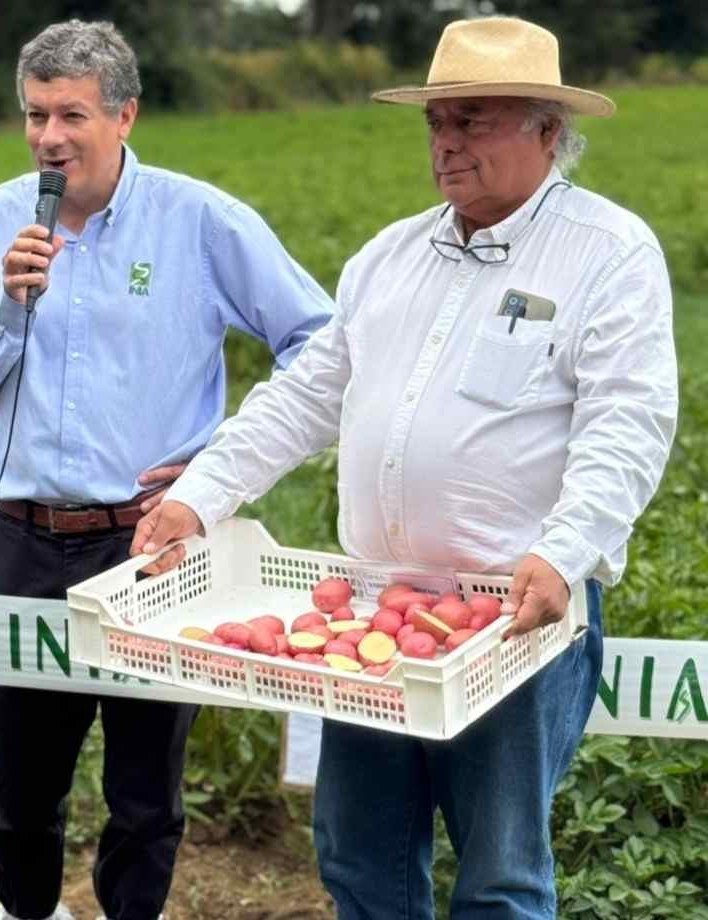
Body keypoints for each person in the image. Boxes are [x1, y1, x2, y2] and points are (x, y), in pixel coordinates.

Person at [133, 16, 678, 920]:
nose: (446, 142)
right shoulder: (389, 256)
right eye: (437, 121)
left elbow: (630, 421)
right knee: (360, 856)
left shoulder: (607, 254)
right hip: (372, 616)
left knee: (501, 878)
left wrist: (565, 550)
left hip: (513, 622)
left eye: (473, 120)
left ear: (548, 130)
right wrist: (200, 496)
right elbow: (305, 396)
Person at [0, 19, 333, 920]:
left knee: (146, 792)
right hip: (19, 539)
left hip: (152, 544)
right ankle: (27, 911)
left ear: (125, 116)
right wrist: (8, 308)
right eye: (35, 114)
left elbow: (320, 342)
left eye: (71, 115)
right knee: (20, 784)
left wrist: (217, 466)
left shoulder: (201, 221)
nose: (48, 137)